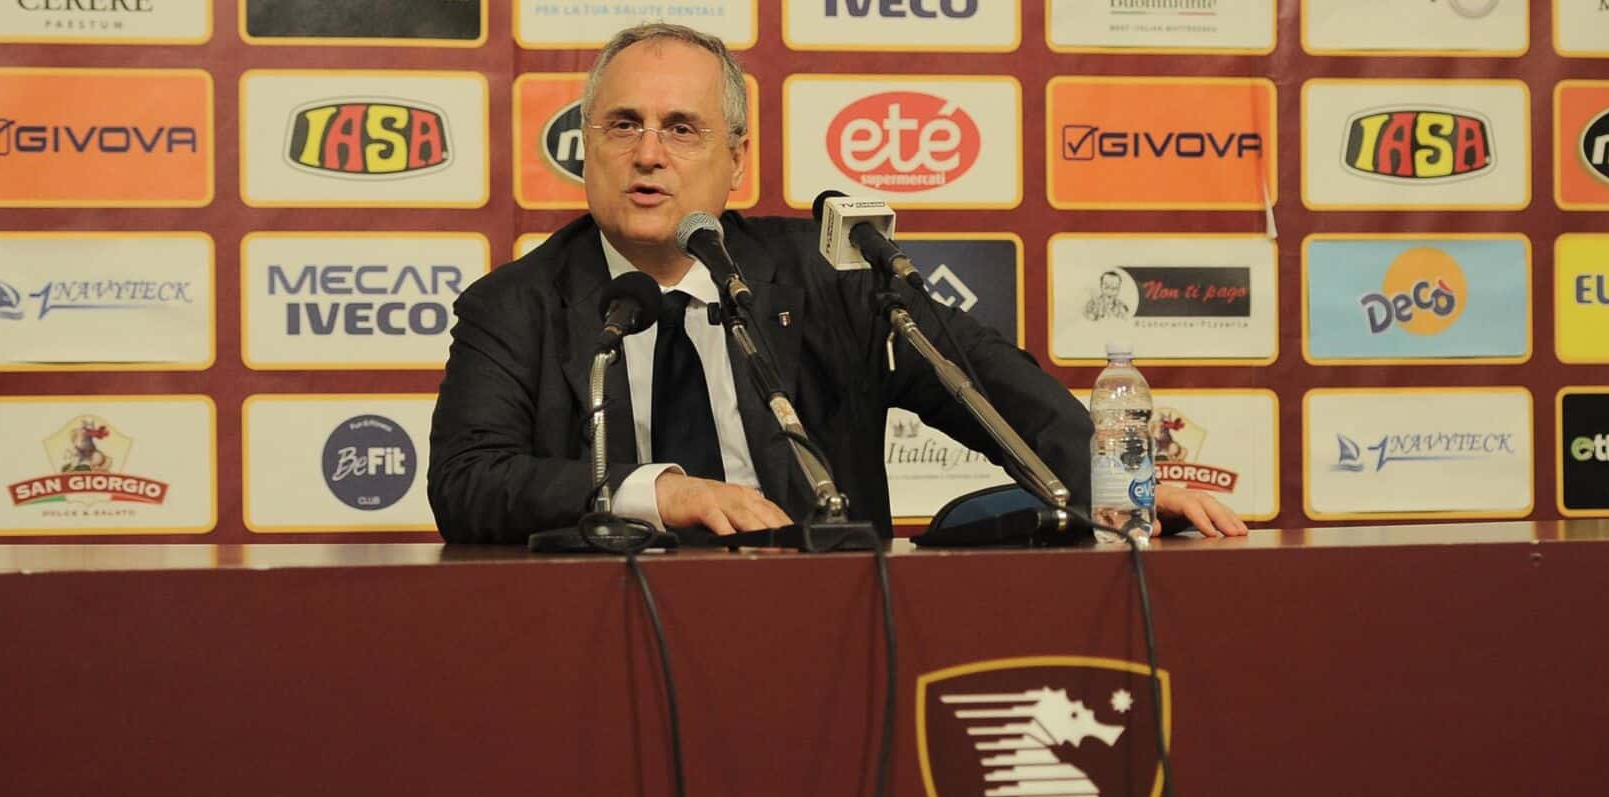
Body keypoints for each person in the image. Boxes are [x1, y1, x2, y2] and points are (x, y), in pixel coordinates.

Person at [428, 22, 1245, 544]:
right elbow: (468, 483)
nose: (648, 154)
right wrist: (658, 492)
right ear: (587, 147)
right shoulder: (513, 306)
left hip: (826, 626)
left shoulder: (828, 276)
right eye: (623, 126)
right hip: (605, 638)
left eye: (681, 129)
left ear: (735, 161)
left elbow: (983, 379)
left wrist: (1115, 482)